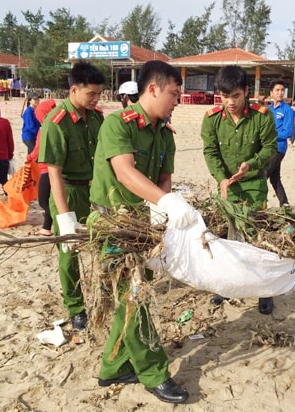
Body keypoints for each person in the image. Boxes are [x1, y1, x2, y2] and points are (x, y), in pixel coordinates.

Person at [90, 60, 196, 404]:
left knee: (131, 300)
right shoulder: (116, 124)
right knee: (137, 298)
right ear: (153, 88)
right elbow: (124, 172)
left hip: (144, 226)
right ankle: (154, 373)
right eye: (174, 94)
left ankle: (112, 366)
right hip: (114, 226)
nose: (177, 100)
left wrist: (160, 208)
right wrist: (169, 201)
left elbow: (163, 177)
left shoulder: (165, 134)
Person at [201, 65, 277, 315]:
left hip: (254, 186)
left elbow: (269, 148)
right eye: (224, 96)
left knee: (257, 238)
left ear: (246, 92)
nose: (230, 102)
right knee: (226, 238)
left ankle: (265, 291)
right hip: (227, 189)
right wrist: (222, 178)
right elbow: (210, 152)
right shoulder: (212, 119)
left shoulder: (262, 116)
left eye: (235, 96)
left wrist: (250, 164)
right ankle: (226, 286)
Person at [38, 60, 106, 330]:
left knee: (105, 243)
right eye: (91, 94)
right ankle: (76, 307)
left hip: (95, 190)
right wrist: (64, 215)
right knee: (69, 253)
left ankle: (106, 294)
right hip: (67, 190)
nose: (96, 99)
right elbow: (53, 172)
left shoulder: (98, 118)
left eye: (99, 94)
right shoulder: (57, 123)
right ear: (74, 90)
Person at [26, 99, 57, 236]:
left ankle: (50, 226)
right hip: (59, 168)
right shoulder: (61, 125)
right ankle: (46, 227)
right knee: (53, 198)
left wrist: (29, 158)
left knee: (44, 199)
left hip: (47, 168)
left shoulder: (45, 128)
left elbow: (38, 149)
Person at [267, 79, 294, 207]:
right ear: (271, 93)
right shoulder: (268, 109)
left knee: (263, 174)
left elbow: (287, 132)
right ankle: (285, 204)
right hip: (267, 147)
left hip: (279, 148)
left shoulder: (287, 110)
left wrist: (271, 136)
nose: (280, 93)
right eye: (277, 90)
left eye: (282, 90)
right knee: (275, 178)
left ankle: (259, 204)